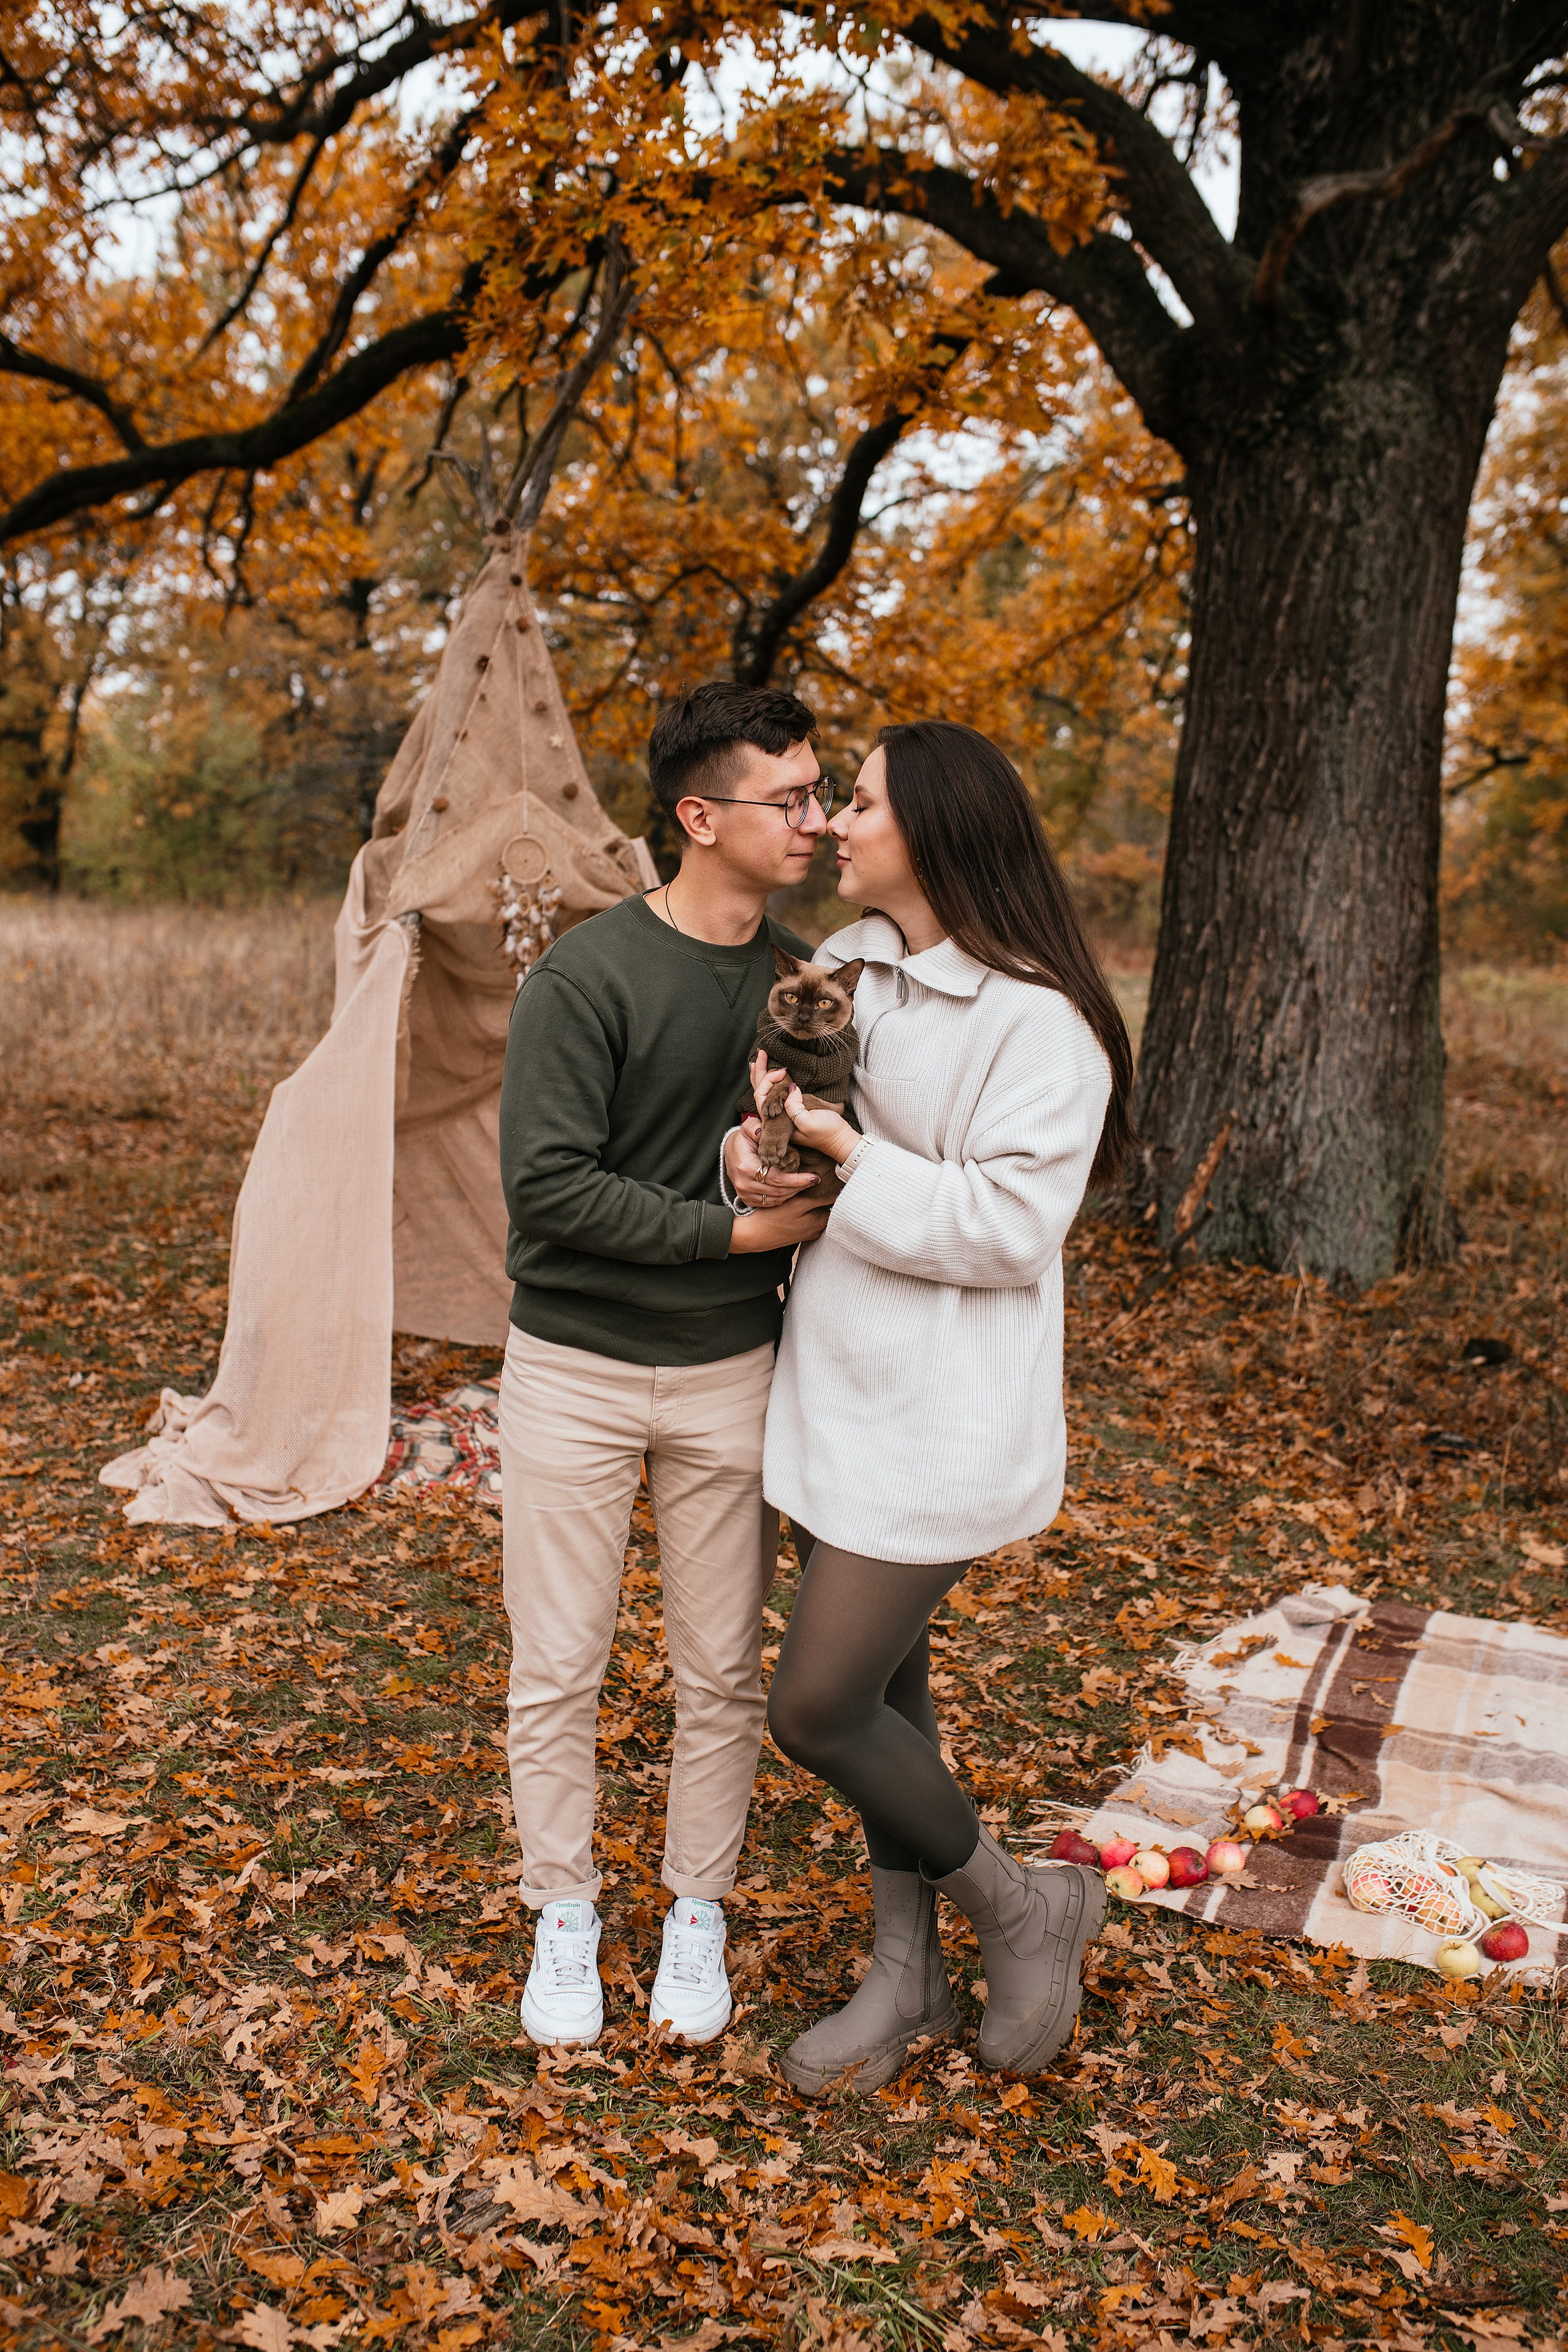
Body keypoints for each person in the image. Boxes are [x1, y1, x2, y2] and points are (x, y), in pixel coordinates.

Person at [723, 719, 1136, 2090]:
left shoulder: (1039, 1024)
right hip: (835, 1388)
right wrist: (758, 1154)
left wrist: (847, 1150)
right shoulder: (853, 969)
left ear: (940, 831)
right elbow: (800, 1142)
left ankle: (1021, 1913)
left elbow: (1010, 1230)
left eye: (861, 802)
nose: (833, 823)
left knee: (817, 1708)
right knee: (888, 1695)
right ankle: (903, 1976)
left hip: (941, 1416)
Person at [497, 682, 829, 2048]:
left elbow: (830, 1154)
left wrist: (784, 1174)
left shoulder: (806, 987)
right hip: (572, 1366)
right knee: (557, 1666)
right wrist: (732, 1229)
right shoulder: (585, 975)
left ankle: (698, 1911)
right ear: (699, 816)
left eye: (820, 793)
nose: (814, 819)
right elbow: (546, 1190)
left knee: (721, 1674)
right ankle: (562, 1909)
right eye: (788, 797)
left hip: (730, 1369)